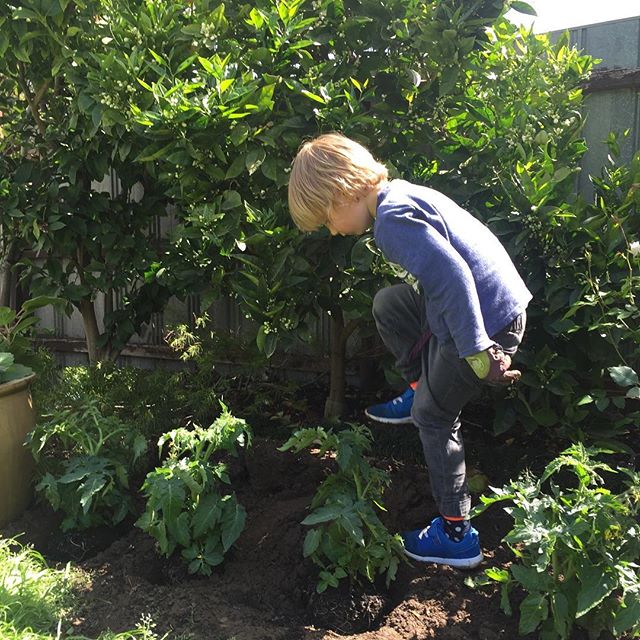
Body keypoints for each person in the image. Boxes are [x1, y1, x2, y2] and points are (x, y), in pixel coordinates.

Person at [287, 132, 531, 569]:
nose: (330, 229)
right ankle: (420, 384)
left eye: (326, 217)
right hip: (480, 307)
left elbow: (454, 277)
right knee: (391, 303)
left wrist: (478, 350)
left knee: (433, 417)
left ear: (342, 192)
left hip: (483, 320)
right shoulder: (400, 195)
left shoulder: (392, 223)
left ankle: (457, 533)